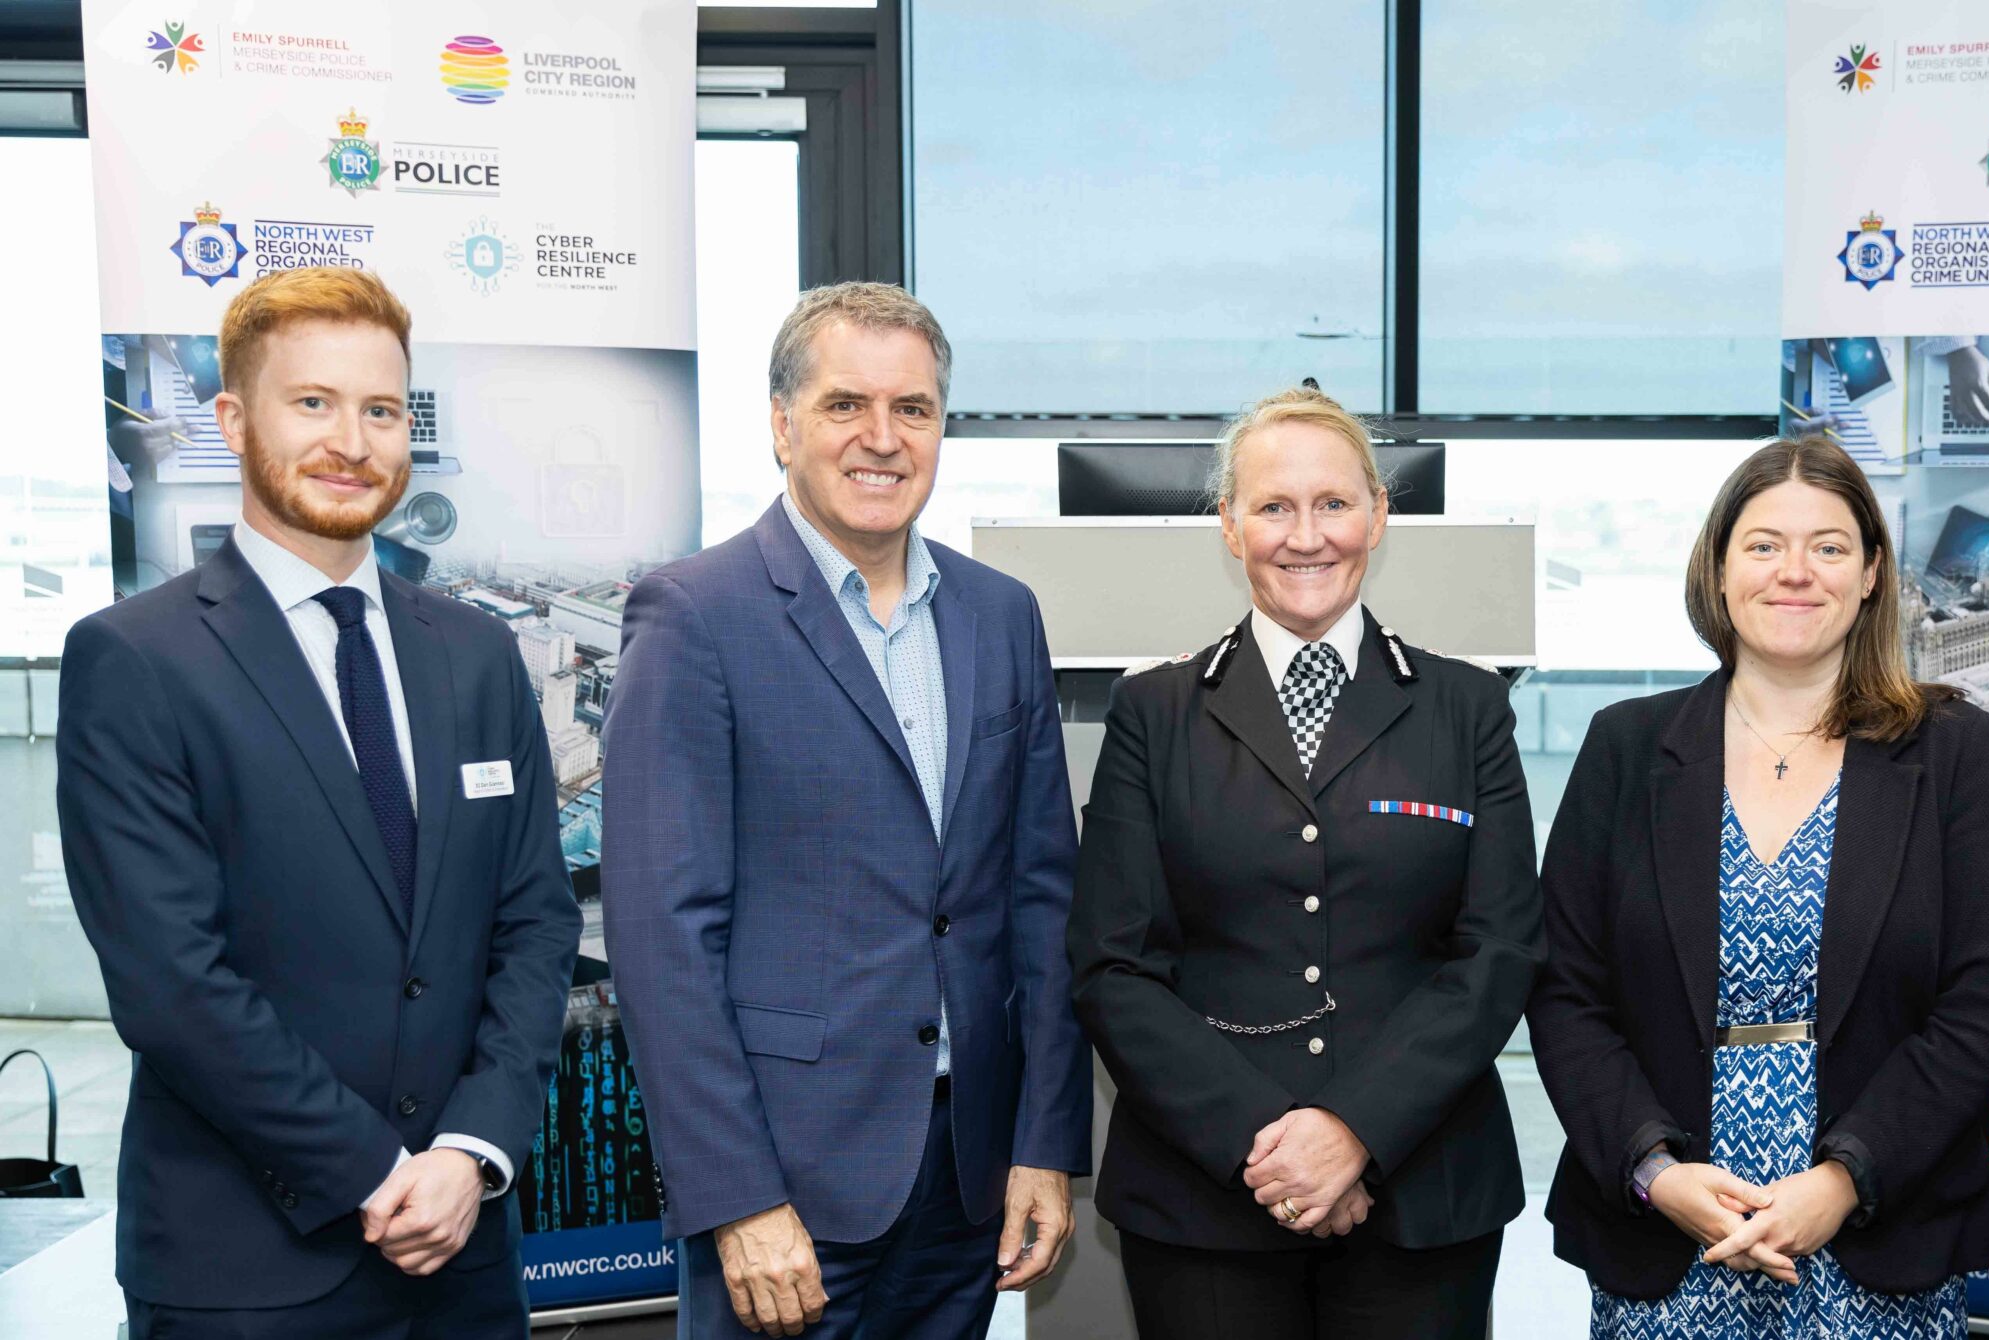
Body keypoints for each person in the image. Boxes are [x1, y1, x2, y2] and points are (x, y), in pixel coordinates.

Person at [56, 266, 581, 1335]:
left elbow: (535, 921)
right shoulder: (134, 658)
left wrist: (469, 1153)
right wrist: (378, 1170)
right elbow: (172, 983)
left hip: (462, 1254)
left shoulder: (477, 653)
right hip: (244, 1267)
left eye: (380, 409)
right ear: (234, 418)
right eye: (314, 403)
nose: (352, 440)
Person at [604, 282, 1088, 1340]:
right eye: (843, 405)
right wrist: (735, 1194)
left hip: (964, 1173)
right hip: (785, 1178)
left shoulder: (1000, 615)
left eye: (912, 408)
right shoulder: (695, 614)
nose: (882, 437)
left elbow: (1042, 899)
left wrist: (1043, 1139)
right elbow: (662, 934)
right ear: (781, 424)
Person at [1067, 386, 1542, 1340]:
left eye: (1332, 504)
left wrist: (1355, 1132)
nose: (1306, 535)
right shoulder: (1155, 714)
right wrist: (1275, 1150)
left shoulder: (1466, 708)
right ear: (1229, 528)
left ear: (1379, 515)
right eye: (1273, 507)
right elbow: (1113, 963)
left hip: (1421, 1196)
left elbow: (1500, 951)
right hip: (1207, 1202)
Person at [1528, 435, 1989, 1338]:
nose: (1795, 572)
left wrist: (1844, 1181)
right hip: (1675, 1234)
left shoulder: (1954, 751)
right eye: (1763, 545)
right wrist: (1656, 1172)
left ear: (1872, 573)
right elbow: (1566, 992)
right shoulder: (1625, 749)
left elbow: (1982, 1004)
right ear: (1719, 569)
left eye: (1830, 547)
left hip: (1880, 1233)